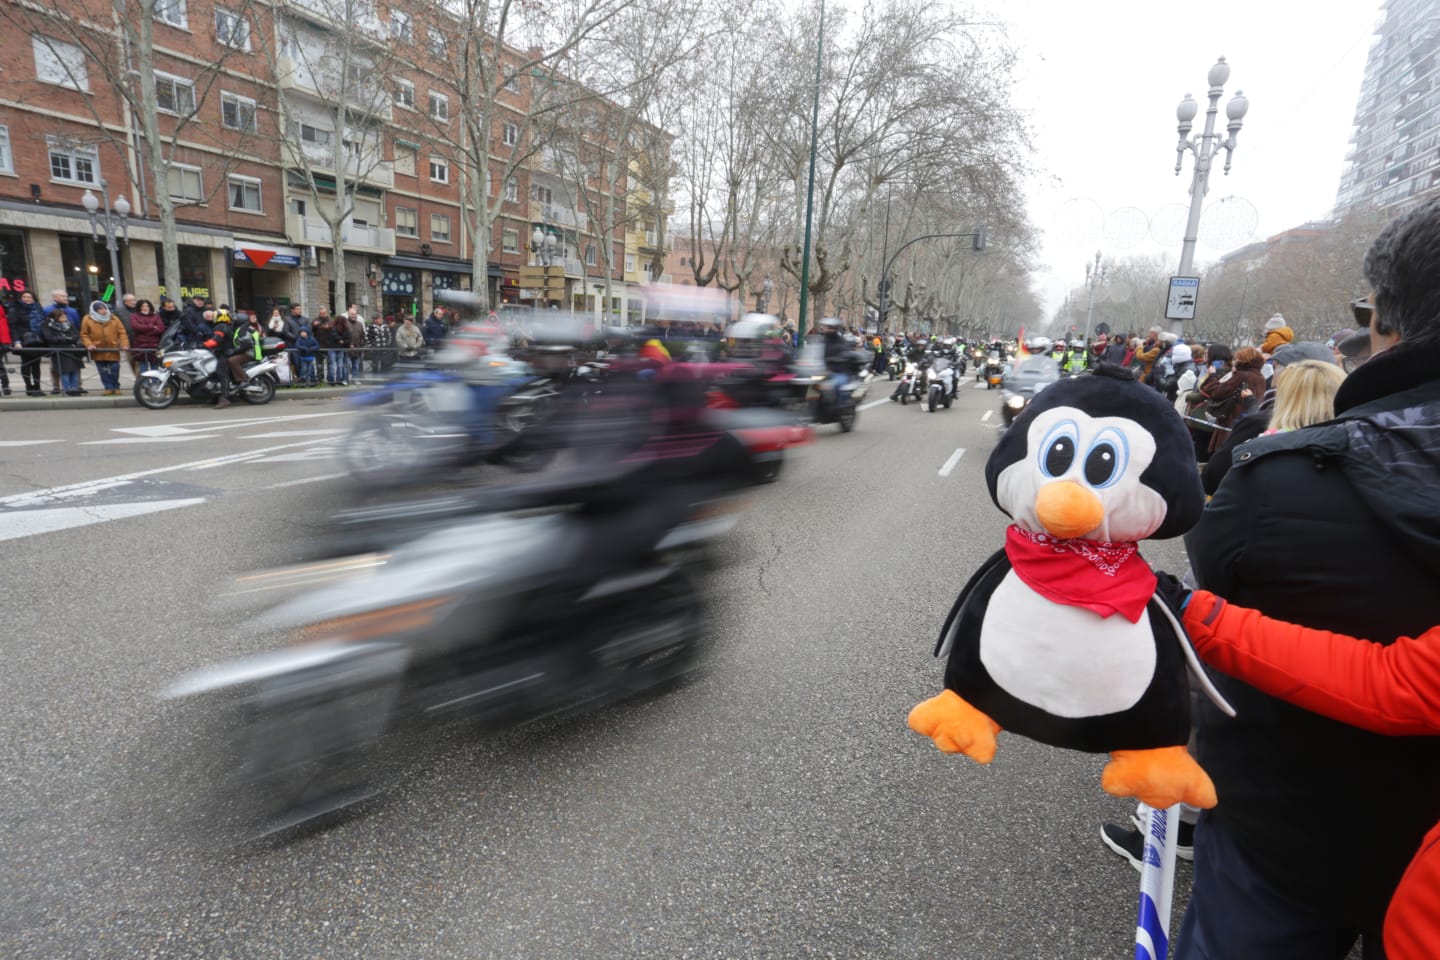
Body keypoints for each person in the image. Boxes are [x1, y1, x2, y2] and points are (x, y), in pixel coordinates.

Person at [1176, 199, 1440, 960]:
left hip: (1286, 839)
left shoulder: (1275, 471)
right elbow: (1401, 680)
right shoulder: (1245, 411)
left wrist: (1189, 615)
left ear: (1388, 319)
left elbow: (1396, 684)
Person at [1200, 343, 1338, 495]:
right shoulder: (1344, 428)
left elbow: (1212, 477)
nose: (1273, 373)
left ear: (1290, 377)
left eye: (1277, 366)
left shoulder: (1262, 424)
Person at [80, 300, 130, 396]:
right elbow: (84, 334)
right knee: (103, 371)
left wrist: (124, 343)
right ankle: (108, 387)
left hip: (113, 348)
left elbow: (122, 332)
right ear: (95, 310)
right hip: (97, 349)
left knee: (115, 369)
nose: (103, 311)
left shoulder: (114, 318)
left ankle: (116, 386)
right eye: (100, 309)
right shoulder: (87, 319)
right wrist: (89, 344)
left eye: (104, 308)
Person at [41, 307, 85, 395]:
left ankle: (74, 389)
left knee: (75, 370)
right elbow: (50, 339)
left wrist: (66, 339)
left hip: (72, 350)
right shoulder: (47, 325)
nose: (65, 318)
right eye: (62, 317)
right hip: (59, 352)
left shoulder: (69, 324)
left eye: (65, 316)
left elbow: (76, 336)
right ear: (56, 318)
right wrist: (67, 338)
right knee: (64, 371)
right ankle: (67, 389)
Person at [13, 291, 47, 395]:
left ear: (33, 298)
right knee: (26, 364)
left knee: (36, 365)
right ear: (21, 298)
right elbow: (14, 327)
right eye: (24, 297)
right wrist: (16, 341)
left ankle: (37, 387)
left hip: (38, 340)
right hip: (24, 340)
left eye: (29, 297)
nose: (27, 299)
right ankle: (29, 387)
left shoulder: (38, 308)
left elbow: (43, 322)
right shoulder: (16, 309)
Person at [201, 309, 236, 408]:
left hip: (225, 353)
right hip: (223, 352)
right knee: (214, 374)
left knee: (221, 373)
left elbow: (217, 339)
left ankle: (224, 398)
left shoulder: (220, 326)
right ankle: (215, 396)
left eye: (214, 316)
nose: (213, 318)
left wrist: (204, 344)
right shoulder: (226, 325)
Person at [128, 299, 166, 372]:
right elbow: (136, 327)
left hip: (155, 344)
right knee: (143, 365)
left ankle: (155, 382)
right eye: (143, 306)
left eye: (147, 306)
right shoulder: (134, 316)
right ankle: (144, 382)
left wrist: (145, 331)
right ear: (139, 307)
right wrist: (152, 327)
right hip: (140, 344)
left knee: (155, 364)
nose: (145, 308)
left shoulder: (156, 316)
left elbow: (161, 328)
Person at [345, 305, 366, 382]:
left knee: (356, 366)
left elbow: (362, 336)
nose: (353, 316)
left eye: (355, 314)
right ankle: (346, 380)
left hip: (357, 349)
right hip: (347, 349)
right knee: (346, 366)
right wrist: (348, 344)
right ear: (349, 314)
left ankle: (355, 380)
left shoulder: (359, 324)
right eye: (352, 314)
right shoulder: (345, 323)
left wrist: (362, 344)